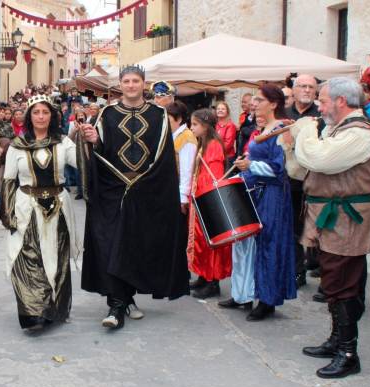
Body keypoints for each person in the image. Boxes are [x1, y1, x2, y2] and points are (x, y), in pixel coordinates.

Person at [79, 65, 189, 330]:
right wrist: (94, 140)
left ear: (143, 84)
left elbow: (162, 154)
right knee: (110, 242)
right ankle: (116, 304)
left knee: (134, 244)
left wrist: (149, 185)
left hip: (145, 188)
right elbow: (102, 151)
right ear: (120, 84)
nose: (130, 85)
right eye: (126, 81)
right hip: (112, 189)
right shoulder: (107, 113)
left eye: (135, 81)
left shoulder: (158, 114)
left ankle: (126, 298)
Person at [289, 76, 370, 379]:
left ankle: (348, 352)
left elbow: (319, 158)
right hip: (332, 217)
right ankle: (336, 341)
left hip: (348, 218)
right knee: (333, 280)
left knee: (343, 283)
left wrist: (304, 132)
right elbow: (304, 166)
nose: (319, 104)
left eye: (323, 99)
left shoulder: (360, 132)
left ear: (341, 101)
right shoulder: (336, 128)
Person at [0, 94, 79, 331]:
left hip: (59, 207)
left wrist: (88, 141)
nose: (41, 117)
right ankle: (33, 313)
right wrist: (8, 213)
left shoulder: (63, 142)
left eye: (45, 112)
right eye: (36, 112)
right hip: (26, 207)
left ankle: (52, 309)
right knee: (27, 256)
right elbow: (9, 180)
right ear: (29, 116)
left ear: (52, 116)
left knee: (56, 258)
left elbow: (83, 163)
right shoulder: (17, 145)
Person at [223, 85, 296, 320]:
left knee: (268, 246)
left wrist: (251, 166)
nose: (254, 102)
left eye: (259, 99)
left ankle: (267, 300)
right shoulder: (263, 127)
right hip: (254, 190)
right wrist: (244, 167)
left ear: (273, 103)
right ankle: (242, 294)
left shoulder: (282, 128)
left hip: (272, 196)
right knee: (245, 244)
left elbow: (280, 168)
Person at [188, 108, 233, 299]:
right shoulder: (204, 143)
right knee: (201, 241)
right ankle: (203, 276)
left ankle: (212, 281)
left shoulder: (213, 145)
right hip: (200, 197)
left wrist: (203, 197)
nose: (192, 128)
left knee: (210, 242)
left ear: (205, 126)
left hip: (207, 198)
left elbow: (212, 175)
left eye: (195, 124)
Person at [285, 74, 324, 294]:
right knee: (293, 228)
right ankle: (297, 271)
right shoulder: (286, 113)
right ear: (294, 89)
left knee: (319, 228)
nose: (307, 90)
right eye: (302, 86)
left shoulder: (321, 114)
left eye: (311, 87)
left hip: (316, 179)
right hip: (291, 181)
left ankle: (325, 277)